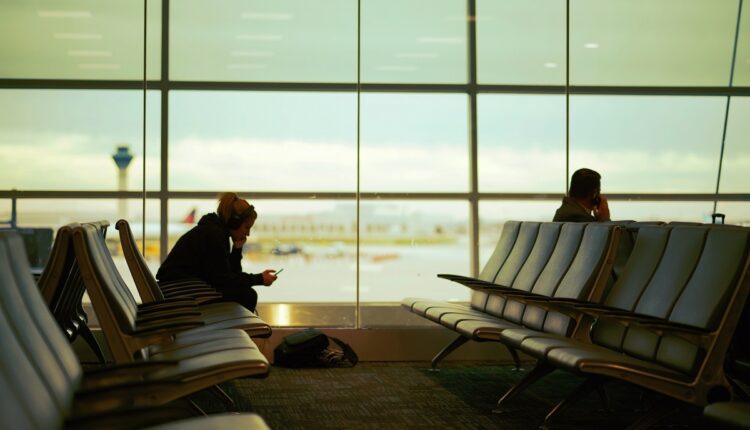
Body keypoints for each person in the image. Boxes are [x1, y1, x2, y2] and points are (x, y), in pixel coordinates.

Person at [156, 192, 277, 312]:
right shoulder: (214, 235)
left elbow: (231, 274)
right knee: (248, 295)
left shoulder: (215, 231)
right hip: (180, 291)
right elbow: (225, 279)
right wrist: (259, 279)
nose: (248, 234)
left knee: (246, 293)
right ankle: (230, 330)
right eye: (246, 227)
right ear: (234, 222)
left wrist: (237, 249)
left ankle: (231, 329)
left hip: (182, 288)